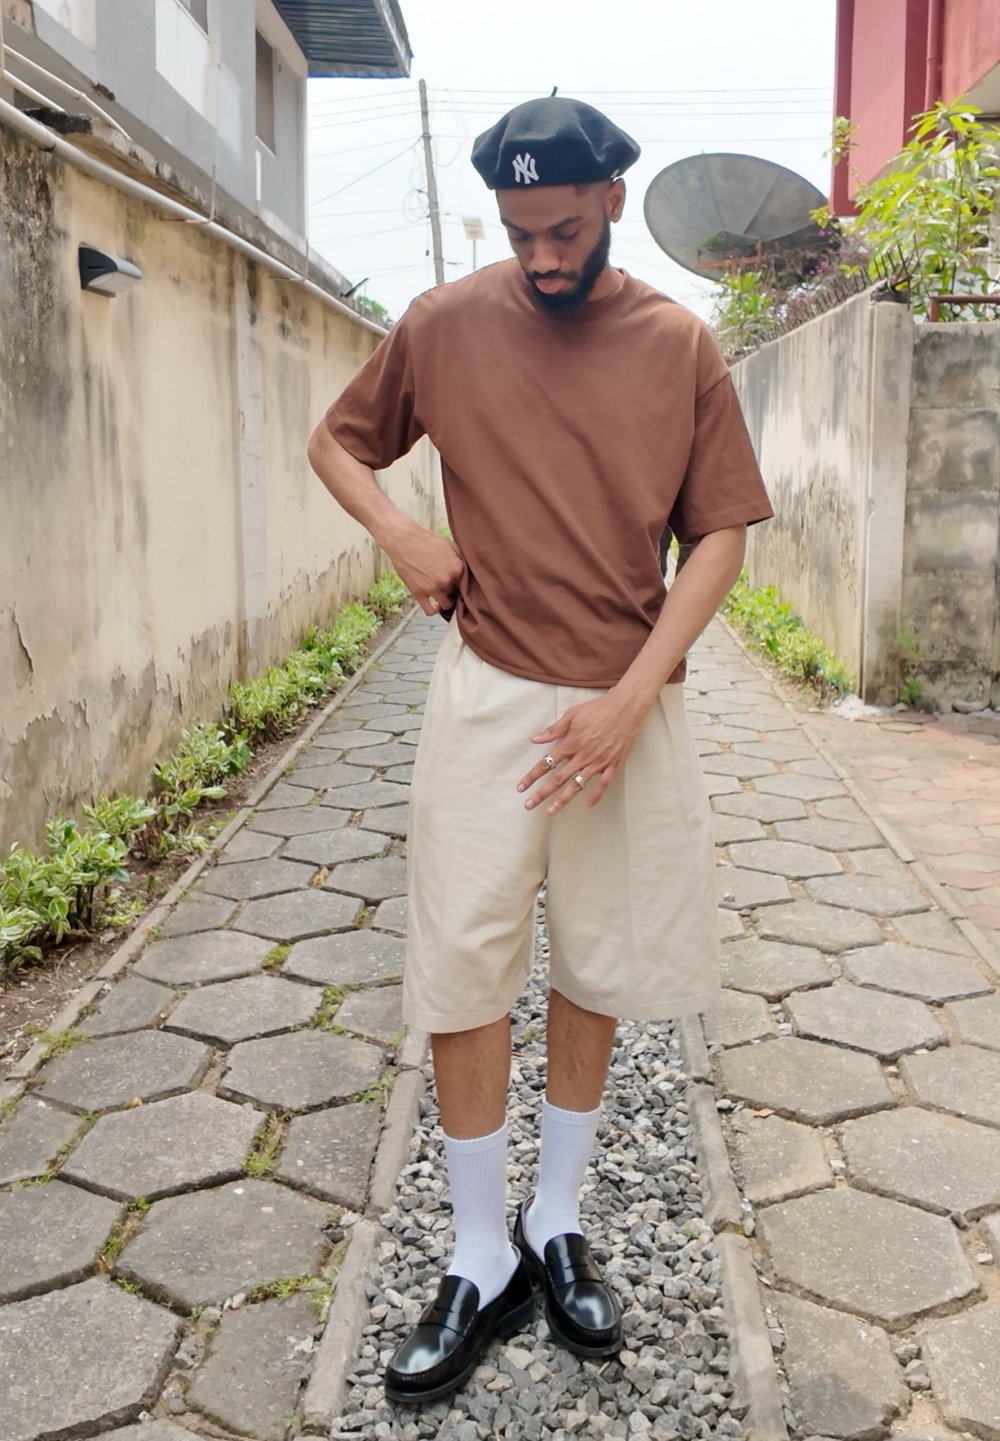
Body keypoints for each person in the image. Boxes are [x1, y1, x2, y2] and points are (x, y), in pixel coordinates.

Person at [308, 95, 772, 1406]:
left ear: (613, 200)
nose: (542, 256)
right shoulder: (444, 325)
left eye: (563, 229)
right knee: (463, 964)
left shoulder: (677, 344)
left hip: (627, 702)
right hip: (489, 696)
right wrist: (403, 535)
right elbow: (336, 442)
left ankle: (556, 1220)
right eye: (519, 233)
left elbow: (722, 534)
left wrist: (632, 697)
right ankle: (478, 1250)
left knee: (600, 953)